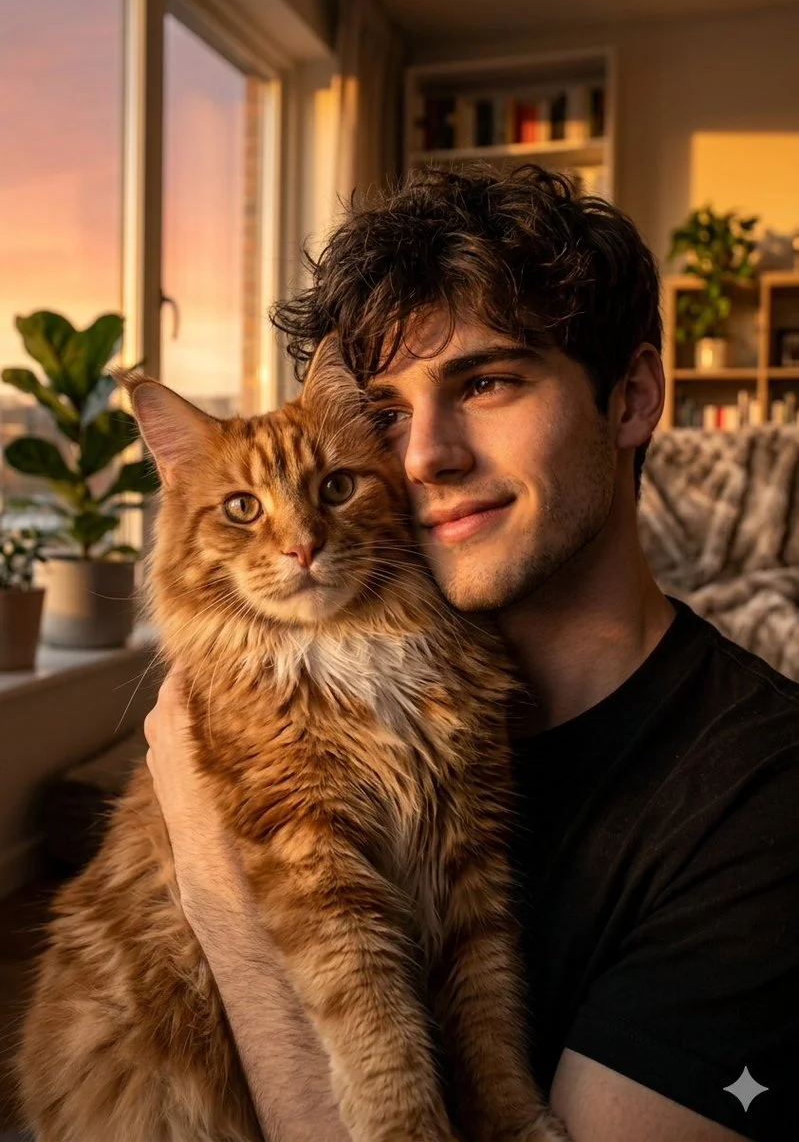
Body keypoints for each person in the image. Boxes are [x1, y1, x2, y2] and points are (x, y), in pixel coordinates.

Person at [144, 166, 799, 1142]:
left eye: (485, 382)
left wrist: (222, 889)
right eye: (384, 413)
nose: (422, 457)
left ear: (630, 397)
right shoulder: (357, 696)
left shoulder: (764, 798)